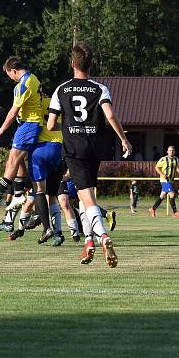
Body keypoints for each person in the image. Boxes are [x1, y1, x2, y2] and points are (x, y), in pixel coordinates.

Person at [47, 42, 131, 268]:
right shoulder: (99, 88)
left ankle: (103, 236)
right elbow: (110, 116)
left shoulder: (61, 90)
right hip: (94, 147)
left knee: (87, 198)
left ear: (72, 63)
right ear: (91, 64)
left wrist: (68, 128)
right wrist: (123, 139)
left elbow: (51, 123)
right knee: (86, 198)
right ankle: (88, 241)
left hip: (74, 149)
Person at [0, 57, 43, 210]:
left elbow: (13, 111)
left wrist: (1, 130)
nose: (9, 77)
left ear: (13, 70)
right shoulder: (33, 78)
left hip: (29, 124)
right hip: (28, 125)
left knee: (13, 161)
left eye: (9, 74)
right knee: (15, 160)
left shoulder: (23, 85)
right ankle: (19, 192)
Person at [8, 94, 65, 245]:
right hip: (58, 151)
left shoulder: (33, 106)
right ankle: (58, 233)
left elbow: (23, 126)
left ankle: (45, 228)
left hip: (39, 151)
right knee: (52, 195)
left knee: (38, 192)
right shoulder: (59, 104)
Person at [150, 146, 179, 217]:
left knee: (163, 195)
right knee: (172, 194)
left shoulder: (176, 159)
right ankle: (175, 212)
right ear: (167, 151)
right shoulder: (164, 159)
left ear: (174, 151)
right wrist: (162, 174)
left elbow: (176, 167)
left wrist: (177, 169)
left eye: (172, 150)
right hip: (165, 180)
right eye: (170, 150)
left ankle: (153, 208)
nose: (171, 152)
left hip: (171, 180)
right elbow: (156, 167)